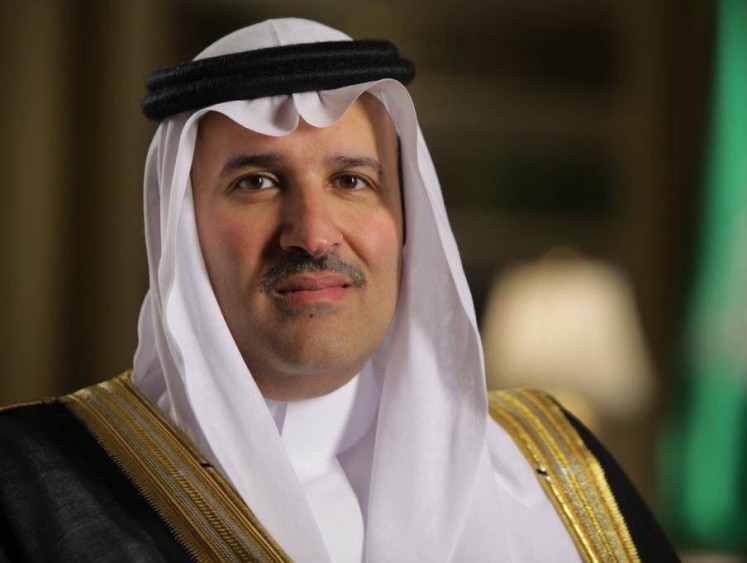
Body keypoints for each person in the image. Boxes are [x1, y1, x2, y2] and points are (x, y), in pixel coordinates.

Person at [0, 17, 677, 562]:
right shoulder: (31, 488)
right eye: (257, 183)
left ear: (407, 222)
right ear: (181, 228)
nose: (313, 233)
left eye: (352, 180)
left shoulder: (560, 474)